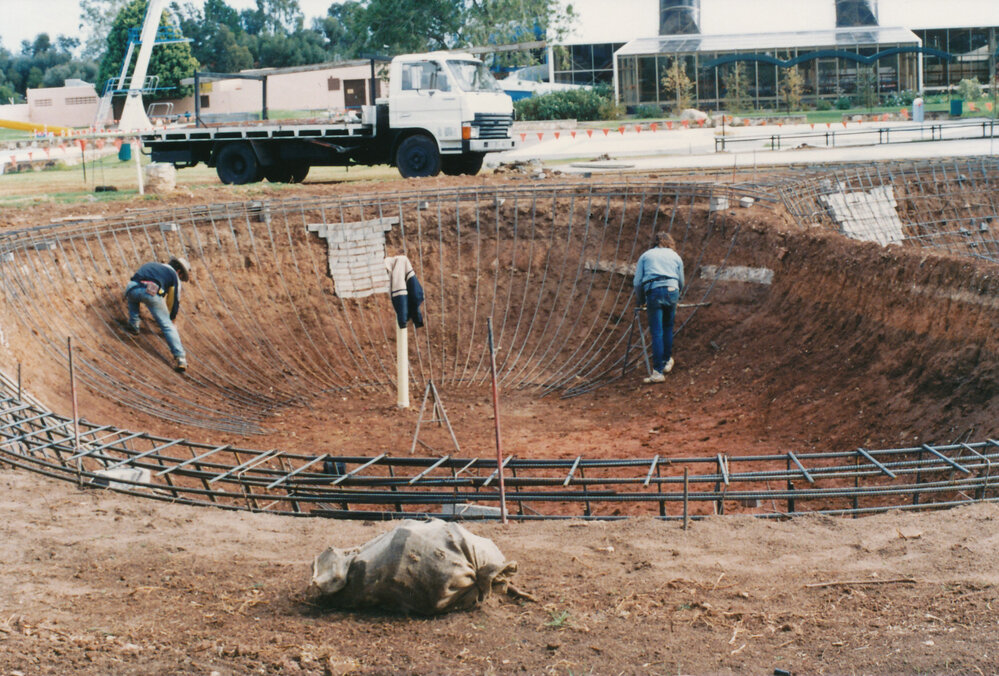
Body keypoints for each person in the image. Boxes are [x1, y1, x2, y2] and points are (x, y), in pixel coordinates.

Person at [124, 257, 191, 372]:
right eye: (181, 277)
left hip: (132, 287)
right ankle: (181, 358)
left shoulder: (151, 264)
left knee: (133, 298)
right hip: (151, 290)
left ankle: (134, 325)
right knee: (167, 325)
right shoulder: (173, 276)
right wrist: (172, 318)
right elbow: (173, 300)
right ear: (179, 271)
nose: (180, 279)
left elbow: (137, 278)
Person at [633, 232, 684, 384]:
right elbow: (681, 281)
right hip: (672, 291)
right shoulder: (675, 256)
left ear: (654, 243)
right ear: (669, 242)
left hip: (654, 292)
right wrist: (676, 297)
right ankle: (667, 361)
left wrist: (641, 301)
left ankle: (657, 372)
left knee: (657, 332)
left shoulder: (646, 256)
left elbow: (637, 283)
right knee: (668, 327)